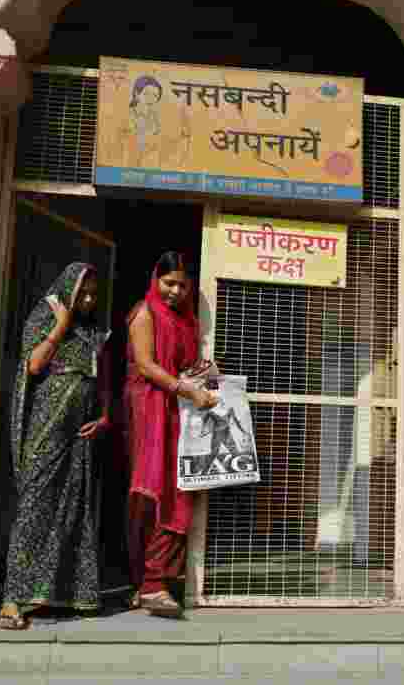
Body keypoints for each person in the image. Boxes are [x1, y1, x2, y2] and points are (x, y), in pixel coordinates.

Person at [0, 262, 111, 630]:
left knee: (74, 511)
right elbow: (33, 365)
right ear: (68, 291)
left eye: (94, 294)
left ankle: (65, 594)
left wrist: (104, 415)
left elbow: (101, 379)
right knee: (34, 510)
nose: (90, 300)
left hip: (80, 435)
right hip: (46, 432)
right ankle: (12, 600)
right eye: (83, 294)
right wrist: (61, 326)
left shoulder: (93, 331)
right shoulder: (44, 317)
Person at [125, 251, 217, 618]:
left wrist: (205, 372)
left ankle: (157, 582)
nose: (175, 291)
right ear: (155, 281)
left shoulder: (186, 322)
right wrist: (188, 390)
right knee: (152, 489)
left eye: (182, 285)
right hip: (148, 408)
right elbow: (147, 366)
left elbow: (185, 366)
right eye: (169, 283)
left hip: (178, 410)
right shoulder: (143, 314)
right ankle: (148, 583)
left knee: (180, 489)